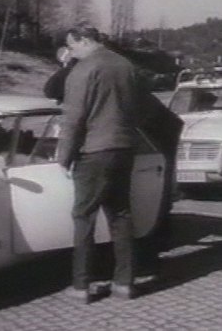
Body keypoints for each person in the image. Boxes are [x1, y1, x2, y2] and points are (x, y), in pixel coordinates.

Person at [57, 26, 140, 303]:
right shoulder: (125, 65)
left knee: (83, 217)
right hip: (124, 147)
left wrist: (63, 158)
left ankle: (81, 286)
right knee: (121, 215)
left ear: (84, 40)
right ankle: (124, 283)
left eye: (73, 45)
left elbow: (73, 118)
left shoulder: (82, 70)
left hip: (93, 151)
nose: (72, 52)